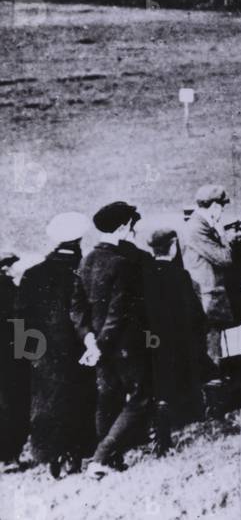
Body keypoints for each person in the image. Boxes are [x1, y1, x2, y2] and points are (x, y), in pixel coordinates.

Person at [70, 201, 149, 479]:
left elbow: (77, 308)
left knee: (107, 400)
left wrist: (90, 341)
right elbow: (118, 312)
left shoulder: (86, 260)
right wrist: (101, 345)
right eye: (132, 227)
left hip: (97, 346)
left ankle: (109, 460)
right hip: (122, 345)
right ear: (124, 227)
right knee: (140, 398)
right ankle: (101, 457)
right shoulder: (122, 263)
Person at [15, 214, 97, 478]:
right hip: (78, 346)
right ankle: (77, 450)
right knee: (80, 398)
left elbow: (20, 317)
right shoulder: (83, 269)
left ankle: (52, 453)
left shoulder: (32, 273)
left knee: (48, 401)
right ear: (78, 241)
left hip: (42, 350)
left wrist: (25, 354)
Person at [143, 229, 208, 446]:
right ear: (172, 246)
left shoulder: (145, 274)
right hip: (179, 337)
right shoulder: (180, 275)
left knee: (161, 383)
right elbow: (193, 311)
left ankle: (161, 428)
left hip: (153, 339)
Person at [180, 184, 235, 408]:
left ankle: (213, 402)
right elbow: (225, 258)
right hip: (207, 297)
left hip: (207, 296)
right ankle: (214, 405)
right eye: (221, 207)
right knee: (212, 352)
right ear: (214, 206)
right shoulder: (198, 228)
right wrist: (223, 234)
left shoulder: (198, 225)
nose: (222, 212)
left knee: (212, 349)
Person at [0, 251, 31, 474]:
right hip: (10, 358)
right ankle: (9, 456)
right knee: (14, 404)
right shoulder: (11, 291)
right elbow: (20, 324)